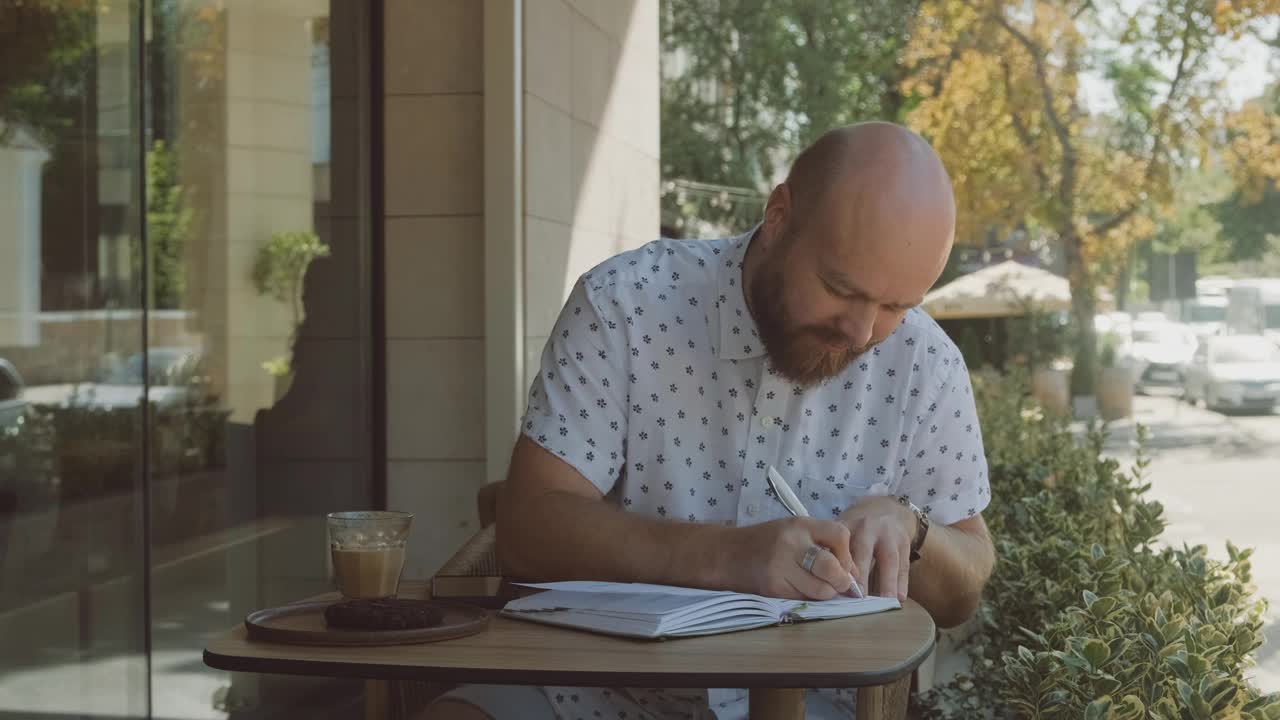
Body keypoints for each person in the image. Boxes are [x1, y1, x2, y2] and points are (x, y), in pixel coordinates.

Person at [427, 122, 996, 720]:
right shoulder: (627, 302)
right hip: (591, 686)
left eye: (896, 307)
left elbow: (965, 588)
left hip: (813, 706)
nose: (860, 333)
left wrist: (914, 527)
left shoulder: (926, 364)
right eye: (839, 288)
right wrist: (727, 559)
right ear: (779, 215)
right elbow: (528, 526)